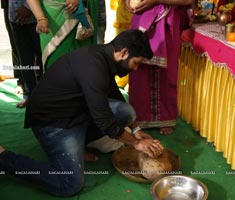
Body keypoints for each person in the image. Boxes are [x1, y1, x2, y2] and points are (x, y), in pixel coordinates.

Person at [0, 30, 163, 197]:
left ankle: (81, 143)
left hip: (76, 112)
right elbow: (104, 120)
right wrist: (135, 143)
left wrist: (136, 130)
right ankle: (4, 158)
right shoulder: (93, 66)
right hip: (52, 123)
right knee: (69, 184)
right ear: (124, 53)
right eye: (136, 63)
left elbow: (114, 95)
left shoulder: (104, 57)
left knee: (126, 112)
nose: (136, 69)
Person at [127, 0, 192, 134]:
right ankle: (138, 118)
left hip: (167, 21)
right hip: (141, 20)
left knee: (166, 73)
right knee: (139, 72)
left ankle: (165, 119)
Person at [26, 0, 98, 69]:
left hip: (78, 20)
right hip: (50, 21)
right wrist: (40, 18)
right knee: (54, 63)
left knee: (81, 64)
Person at [8, 0, 43, 108]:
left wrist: (29, 7)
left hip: (38, 18)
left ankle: (44, 96)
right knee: (24, 59)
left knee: (42, 57)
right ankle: (29, 96)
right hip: (15, 17)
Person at [1, 0, 23, 96]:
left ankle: (37, 81)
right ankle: (21, 81)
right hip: (10, 4)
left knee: (35, 47)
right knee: (16, 45)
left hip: (36, 6)